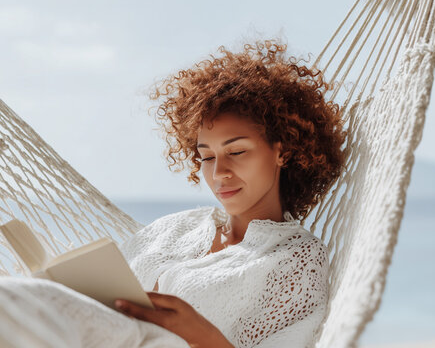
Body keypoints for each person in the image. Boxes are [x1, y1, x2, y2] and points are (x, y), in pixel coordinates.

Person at [114, 39, 347, 348]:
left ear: (282, 151)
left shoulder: (298, 259)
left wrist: (205, 338)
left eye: (236, 151)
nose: (218, 172)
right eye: (207, 157)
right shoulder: (177, 227)